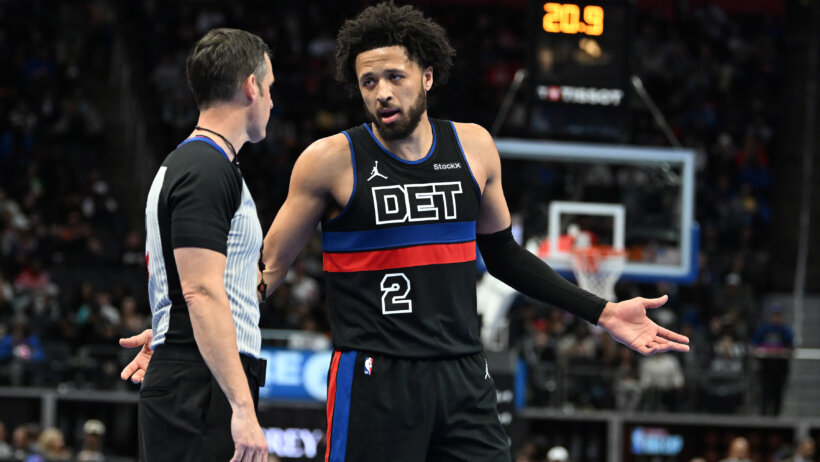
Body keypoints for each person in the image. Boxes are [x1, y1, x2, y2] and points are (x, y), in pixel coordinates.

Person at [123, 3, 689, 461]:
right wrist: (191, 333)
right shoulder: (328, 160)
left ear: (427, 75)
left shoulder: (474, 146)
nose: (381, 92)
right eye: (368, 82)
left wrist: (601, 311)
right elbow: (265, 271)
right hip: (374, 378)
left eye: (394, 77)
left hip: (463, 372)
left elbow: (505, 257)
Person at [118, 28, 273, 462]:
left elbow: (191, 284)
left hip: (200, 371)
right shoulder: (205, 167)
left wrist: (175, 334)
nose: (272, 103)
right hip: (203, 384)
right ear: (250, 86)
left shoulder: (196, 164)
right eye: (270, 88)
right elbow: (200, 291)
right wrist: (242, 408)